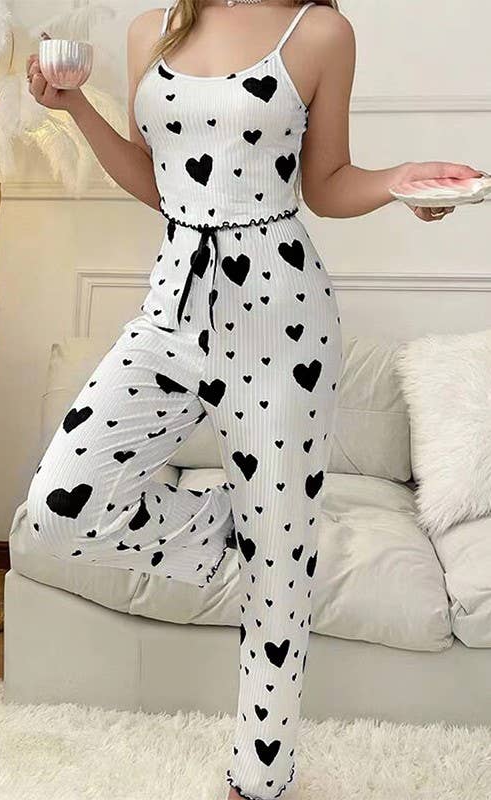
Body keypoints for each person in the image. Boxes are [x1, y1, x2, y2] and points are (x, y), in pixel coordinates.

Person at [25, 2, 483, 799]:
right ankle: (237, 527)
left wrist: (396, 182)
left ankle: (258, 780)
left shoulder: (318, 33)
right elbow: (157, 181)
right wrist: (73, 109)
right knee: (61, 509)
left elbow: (326, 184)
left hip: (283, 315)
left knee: (279, 573)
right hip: (170, 310)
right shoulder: (153, 29)